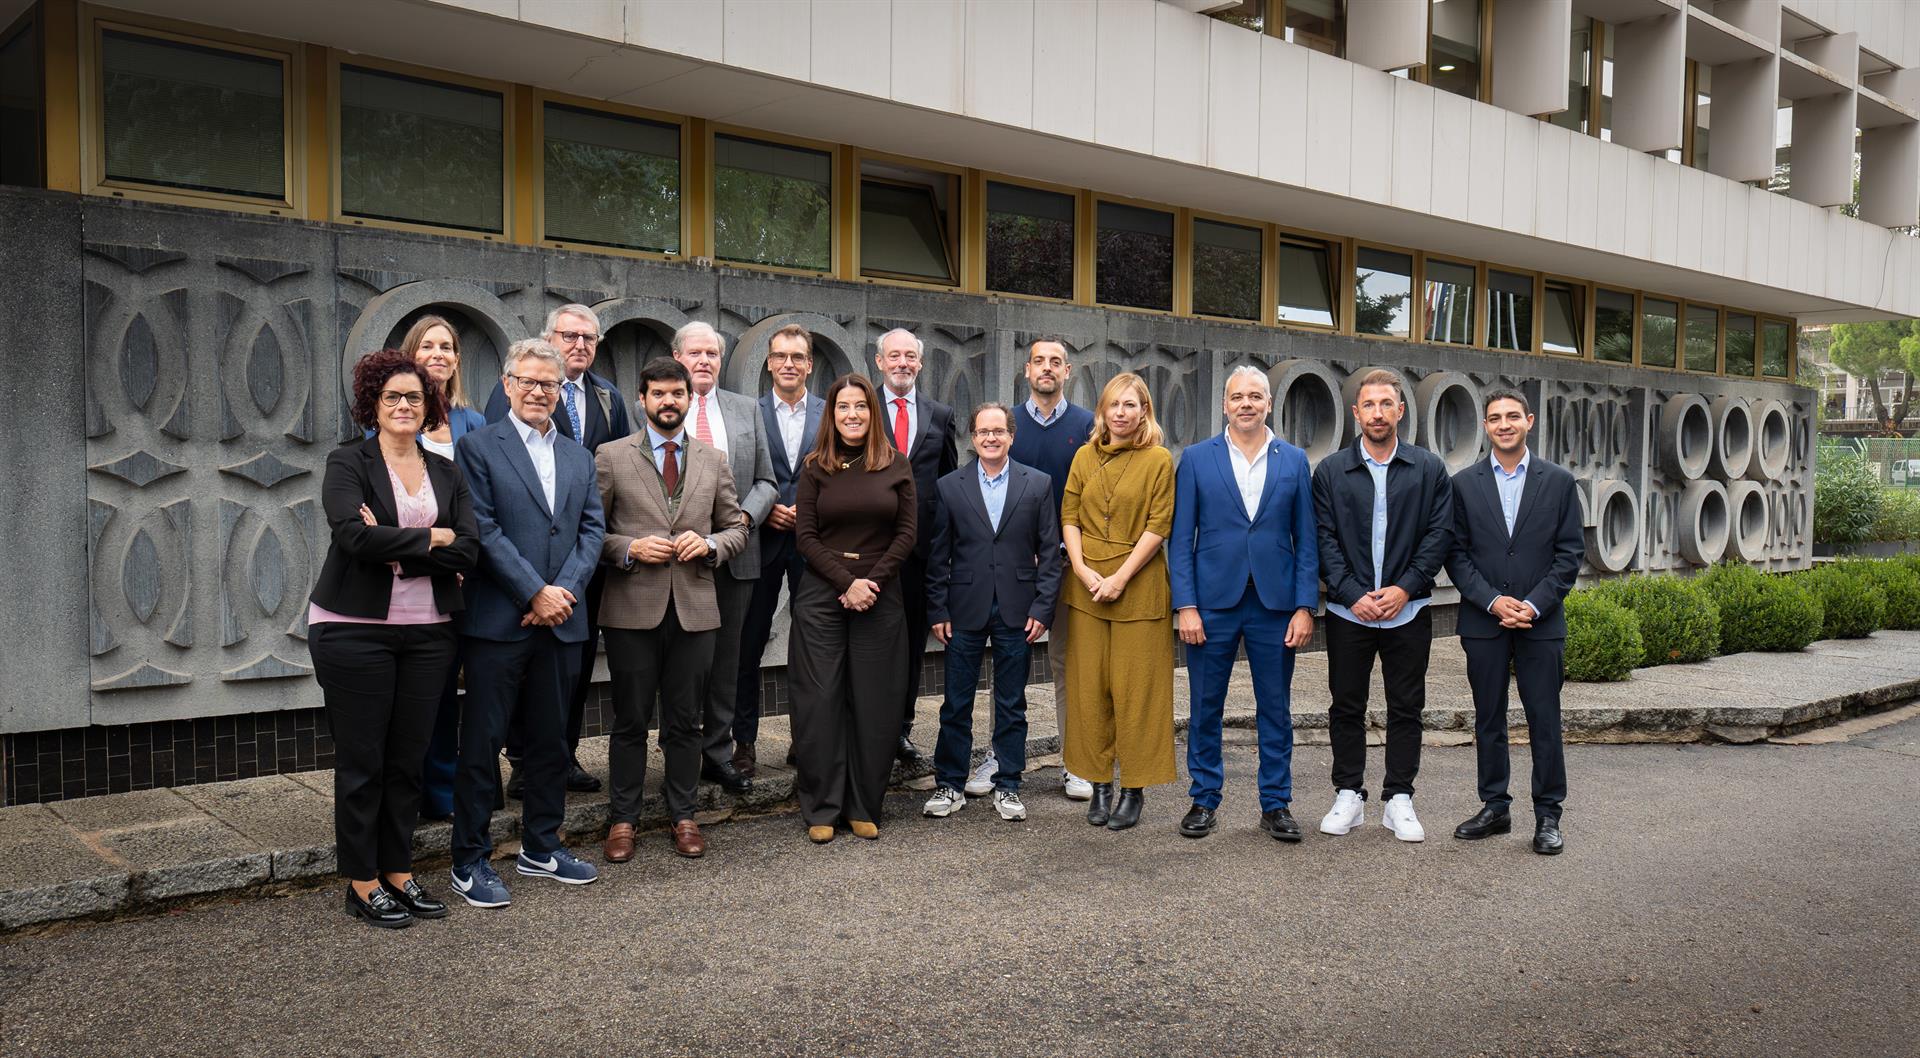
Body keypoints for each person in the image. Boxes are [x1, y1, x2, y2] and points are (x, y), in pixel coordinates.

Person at [307, 348, 478, 928]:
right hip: (353, 631)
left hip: (429, 632)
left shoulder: (448, 472)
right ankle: (362, 881)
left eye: (415, 397)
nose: (405, 406)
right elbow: (352, 538)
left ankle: (399, 871)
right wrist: (433, 541)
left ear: (429, 403)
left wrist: (401, 544)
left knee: (407, 759)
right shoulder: (347, 462)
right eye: (392, 397)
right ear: (373, 405)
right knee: (364, 761)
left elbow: (469, 548)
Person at [450, 339, 605, 908]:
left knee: (549, 742)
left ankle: (542, 844)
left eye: (552, 384)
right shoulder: (477, 447)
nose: (541, 392)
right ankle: (469, 857)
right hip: (500, 620)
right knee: (484, 743)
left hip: (562, 619)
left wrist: (560, 593)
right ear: (508, 385)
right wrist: (533, 591)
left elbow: (591, 532)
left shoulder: (579, 455)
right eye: (530, 381)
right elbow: (483, 530)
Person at [595, 358, 751, 863]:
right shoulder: (611, 456)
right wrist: (630, 547)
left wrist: (708, 544)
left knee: (686, 721)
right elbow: (589, 532)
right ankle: (624, 819)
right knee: (630, 720)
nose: (668, 402)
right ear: (641, 398)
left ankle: (683, 815)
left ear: (690, 399)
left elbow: (737, 527)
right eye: (658, 393)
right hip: (631, 608)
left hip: (694, 610)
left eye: (677, 394)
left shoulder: (713, 459)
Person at [484, 304, 630, 796]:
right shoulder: (515, 391)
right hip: (522, 575)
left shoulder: (609, 398)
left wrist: (571, 581)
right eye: (569, 335)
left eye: (589, 338)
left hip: (582, 568)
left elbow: (612, 477)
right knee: (525, 673)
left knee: (575, 665)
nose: (580, 345)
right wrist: (532, 588)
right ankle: (524, 760)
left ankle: (562, 756)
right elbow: (498, 483)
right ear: (550, 337)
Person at [1169, 366, 1319, 842]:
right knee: (1205, 705)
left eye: (1256, 396)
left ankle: (1276, 803)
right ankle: (1203, 798)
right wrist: (1185, 605)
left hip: (1275, 605)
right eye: (1238, 397)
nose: (1247, 404)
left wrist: (1304, 605)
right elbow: (1180, 539)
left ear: (1269, 404)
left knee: (1275, 708)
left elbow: (1307, 539)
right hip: (1212, 603)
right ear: (1224, 404)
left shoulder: (1294, 460)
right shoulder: (1195, 458)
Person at [1310, 369, 1454, 843]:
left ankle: (1399, 799)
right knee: (1346, 705)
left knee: (1406, 706)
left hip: (1407, 611)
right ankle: (1348, 795)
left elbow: (1439, 536)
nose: (1377, 413)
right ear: (1356, 413)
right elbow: (1323, 539)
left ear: (1400, 411)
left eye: (1385, 404)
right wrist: (1352, 594)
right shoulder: (1331, 470)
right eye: (1368, 405)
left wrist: (1404, 589)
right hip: (1349, 613)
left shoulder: (1429, 469)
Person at [1444, 391, 1583, 855]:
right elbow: (1456, 556)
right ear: (1485, 426)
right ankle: (1495, 807)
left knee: (1545, 720)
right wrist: (1493, 601)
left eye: (1512, 417)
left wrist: (1534, 604)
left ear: (1529, 421)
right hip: (1484, 623)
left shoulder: (1559, 482)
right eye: (1494, 418)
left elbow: (1569, 555)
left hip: (1540, 624)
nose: (1504, 425)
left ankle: (1548, 816)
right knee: (1489, 720)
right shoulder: (1463, 484)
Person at [789, 373, 917, 844]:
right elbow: (805, 536)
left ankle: (864, 804)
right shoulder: (814, 466)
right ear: (832, 413)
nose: (852, 414)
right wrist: (847, 582)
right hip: (824, 593)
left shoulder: (896, 464)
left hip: (881, 595)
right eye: (843, 407)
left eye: (860, 406)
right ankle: (822, 807)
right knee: (819, 701)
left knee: (874, 700)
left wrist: (871, 583)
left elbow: (906, 535)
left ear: (872, 411)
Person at [922, 403, 1062, 823]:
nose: (990, 438)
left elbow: (1050, 553)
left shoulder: (1037, 484)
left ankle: (1009, 784)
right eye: (983, 431)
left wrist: (1043, 607)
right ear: (973, 437)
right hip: (964, 607)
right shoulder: (950, 486)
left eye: (998, 431)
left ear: (1011, 436)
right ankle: (949, 782)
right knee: (956, 701)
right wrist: (938, 608)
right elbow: (938, 555)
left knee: (1011, 701)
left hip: (1019, 609)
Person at [1060, 372, 1176, 831]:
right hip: (1087, 589)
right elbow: (1068, 515)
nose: (1122, 413)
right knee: (1091, 691)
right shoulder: (1084, 457)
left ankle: (1133, 789)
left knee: (1138, 692)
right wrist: (1084, 569)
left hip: (1139, 589)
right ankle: (1099, 783)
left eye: (1131, 405)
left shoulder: (1159, 460)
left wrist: (1121, 577)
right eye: (1114, 405)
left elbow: (1159, 523)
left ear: (1144, 411)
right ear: (1103, 412)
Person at [671, 321, 777, 794]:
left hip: (737, 557)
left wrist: (743, 524)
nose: (704, 361)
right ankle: (679, 752)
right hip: (676, 561)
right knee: (681, 661)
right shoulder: (653, 408)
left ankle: (718, 753)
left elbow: (767, 483)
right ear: (678, 358)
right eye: (695, 353)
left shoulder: (745, 408)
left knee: (728, 660)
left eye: (712, 354)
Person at [393, 315, 487, 824]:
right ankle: (419, 791)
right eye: (427, 345)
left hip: (468, 574)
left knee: (462, 688)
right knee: (421, 691)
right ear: (412, 354)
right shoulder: (389, 422)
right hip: (410, 579)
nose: (438, 353)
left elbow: (481, 502)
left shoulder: (473, 423)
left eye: (447, 346)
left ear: (456, 359)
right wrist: (437, 546)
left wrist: (458, 550)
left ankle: (454, 788)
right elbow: (387, 514)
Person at [1006, 336, 1097, 801]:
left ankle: (1074, 760)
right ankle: (1002, 760)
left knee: (1068, 664)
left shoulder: (1087, 427)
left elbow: (1093, 495)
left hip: (1067, 565)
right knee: (1008, 662)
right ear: (1026, 370)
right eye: (1039, 361)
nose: (1047, 368)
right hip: (1013, 568)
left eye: (1055, 362)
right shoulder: (1007, 424)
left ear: (1068, 372)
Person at [733, 323, 824, 778]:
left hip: (812, 545)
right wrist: (765, 511)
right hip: (760, 541)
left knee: (811, 646)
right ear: (768, 363)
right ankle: (744, 742)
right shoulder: (748, 412)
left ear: (810, 364)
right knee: (748, 644)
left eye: (798, 357)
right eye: (780, 356)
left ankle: (805, 740)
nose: (789, 364)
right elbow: (735, 474)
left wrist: (804, 514)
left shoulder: (830, 413)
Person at [873, 327, 959, 765]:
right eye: (895, 356)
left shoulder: (940, 414)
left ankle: (902, 730)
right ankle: (868, 726)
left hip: (922, 553)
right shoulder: (860, 407)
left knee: (910, 646)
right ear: (880, 362)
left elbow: (950, 482)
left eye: (910, 356)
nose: (903, 363)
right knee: (872, 643)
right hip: (869, 549)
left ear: (920, 364)